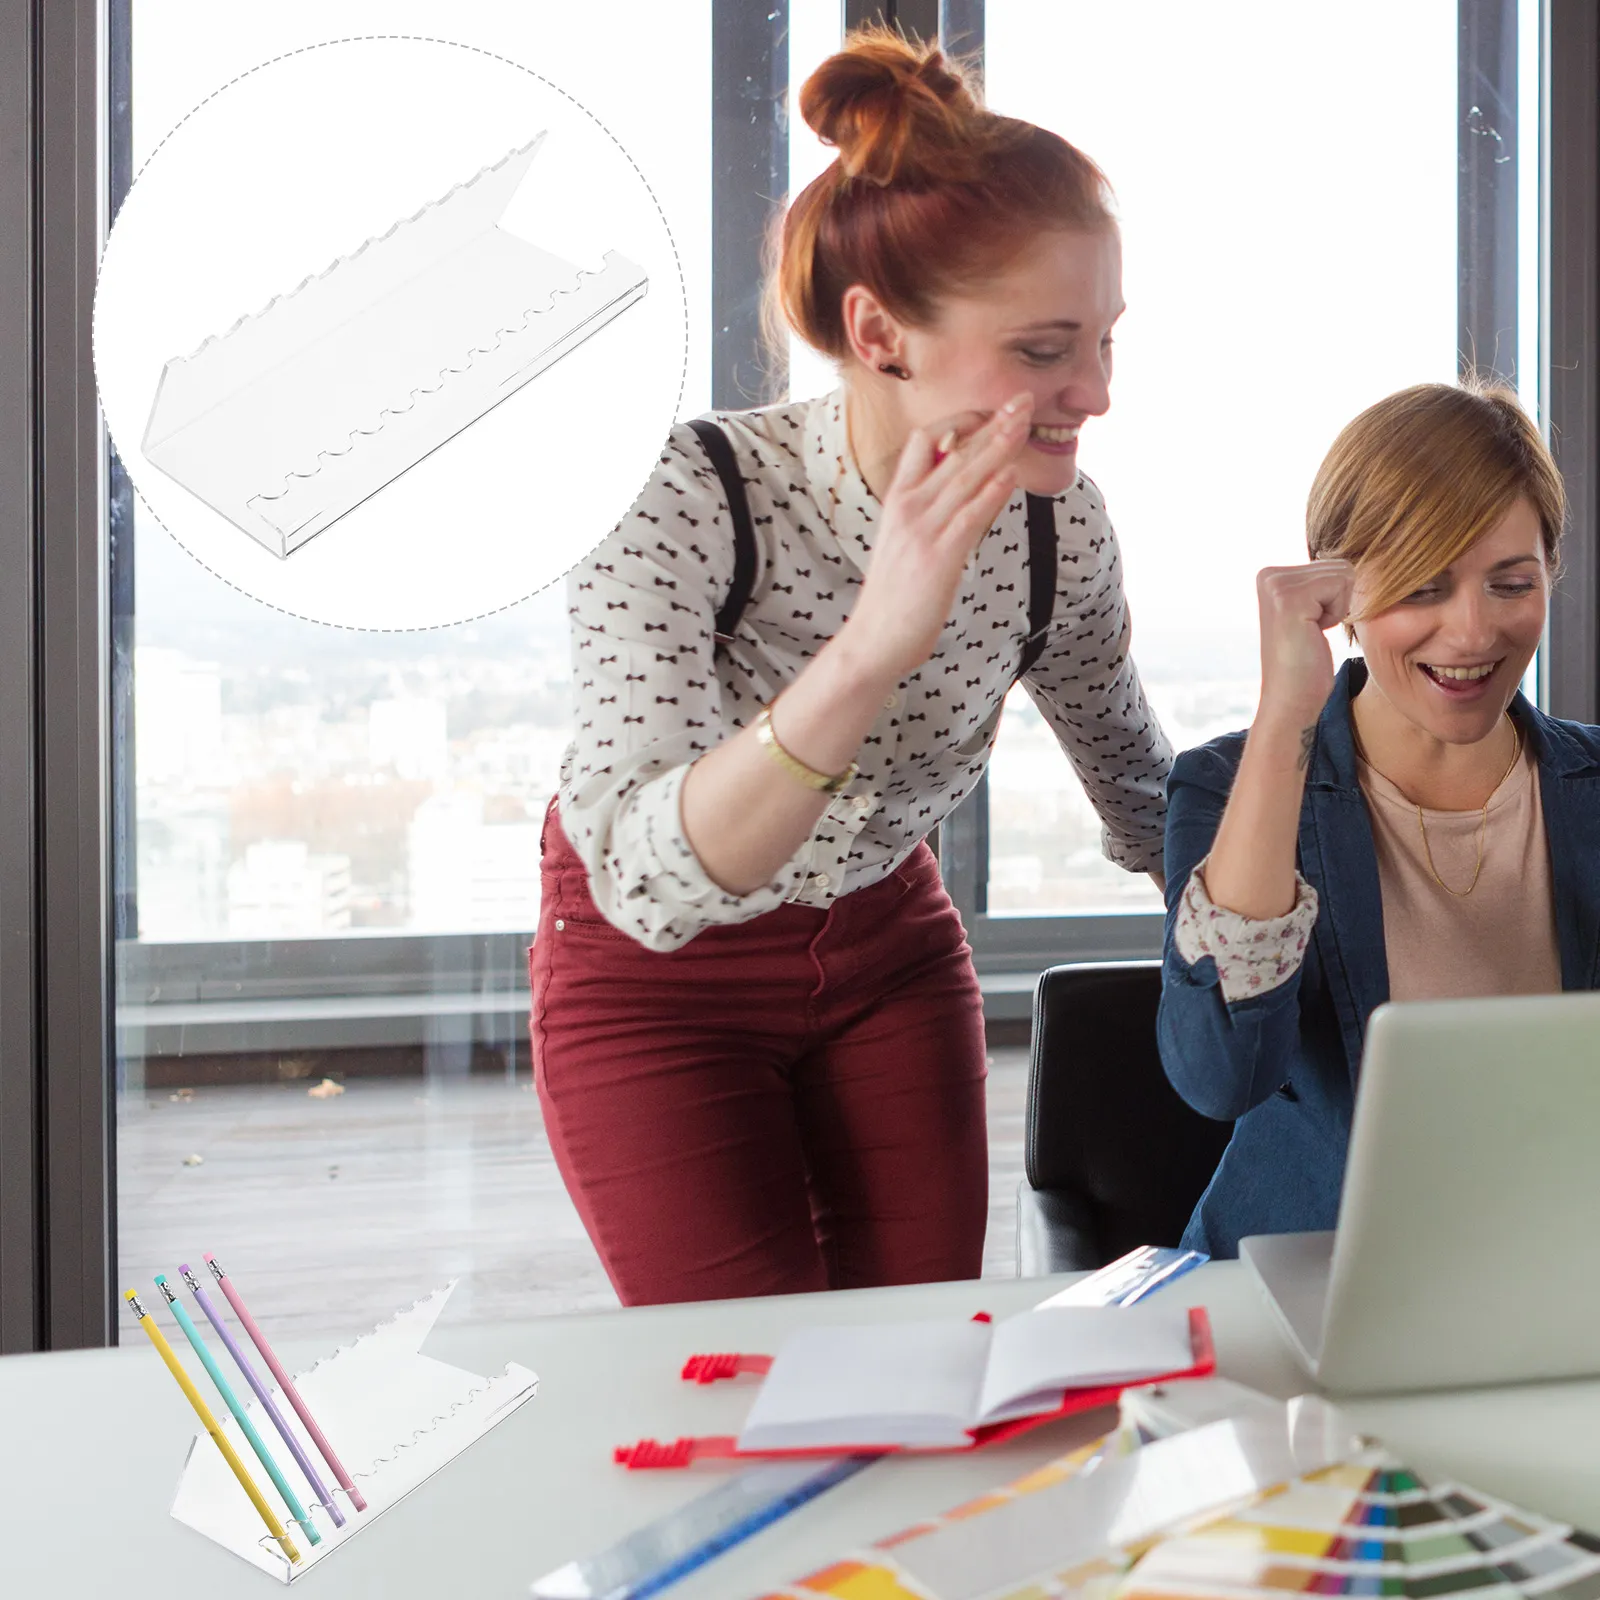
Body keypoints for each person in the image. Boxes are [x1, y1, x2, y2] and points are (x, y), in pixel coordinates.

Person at [528, 27, 1172, 1306]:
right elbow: (651, 885)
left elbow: (1142, 792)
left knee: (926, 1352)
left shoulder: (1060, 527)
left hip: (885, 948)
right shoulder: (680, 494)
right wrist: (875, 643)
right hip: (658, 983)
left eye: (1105, 340)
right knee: (747, 1388)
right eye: (1044, 350)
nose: (1093, 391)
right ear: (879, 334)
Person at [1159, 378, 1600, 1260]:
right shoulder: (1228, 787)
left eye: (1510, 583)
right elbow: (1221, 1073)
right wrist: (1287, 714)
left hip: (1555, 1267)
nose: (1472, 632)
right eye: (1424, 588)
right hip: (1316, 1278)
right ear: (1338, 588)